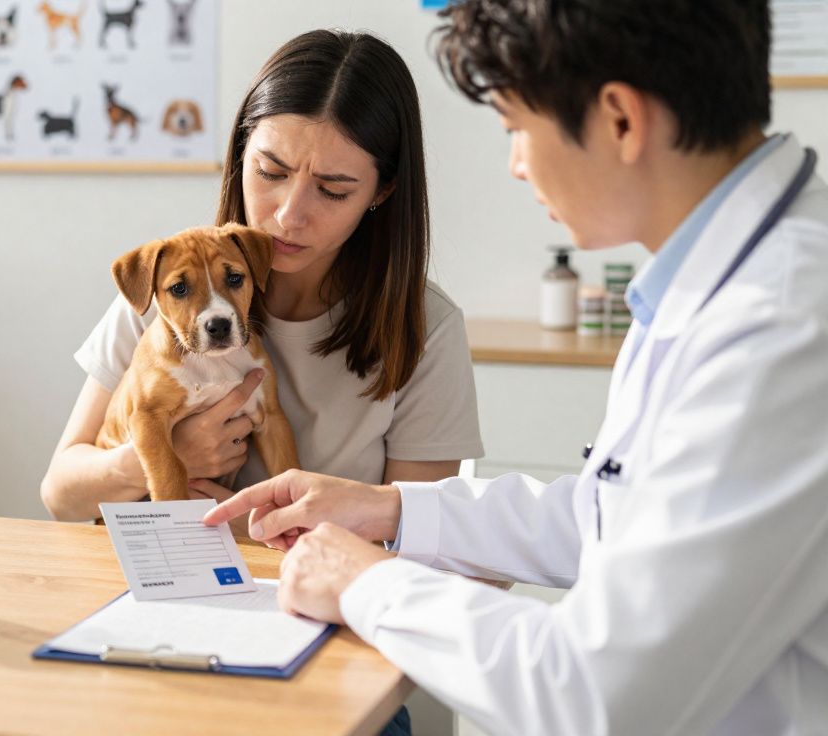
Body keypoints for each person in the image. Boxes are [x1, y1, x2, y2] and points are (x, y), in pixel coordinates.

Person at [205, 2, 828, 734]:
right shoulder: (720, 281)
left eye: (516, 128)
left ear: (621, 120)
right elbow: (610, 516)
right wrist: (393, 510)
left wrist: (369, 584)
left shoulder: (782, 325)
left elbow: (593, 694)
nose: (517, 163)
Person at [40, 29, 483, 529]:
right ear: (240, 155)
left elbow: (424, 539)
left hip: (312, 591)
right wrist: (161, 458)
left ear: (382, 191)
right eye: (271, 172)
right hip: (154, 582)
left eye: (333, 190)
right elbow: (62, 496)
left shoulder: (424, 326)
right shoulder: (168, 292)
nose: (290, 216)